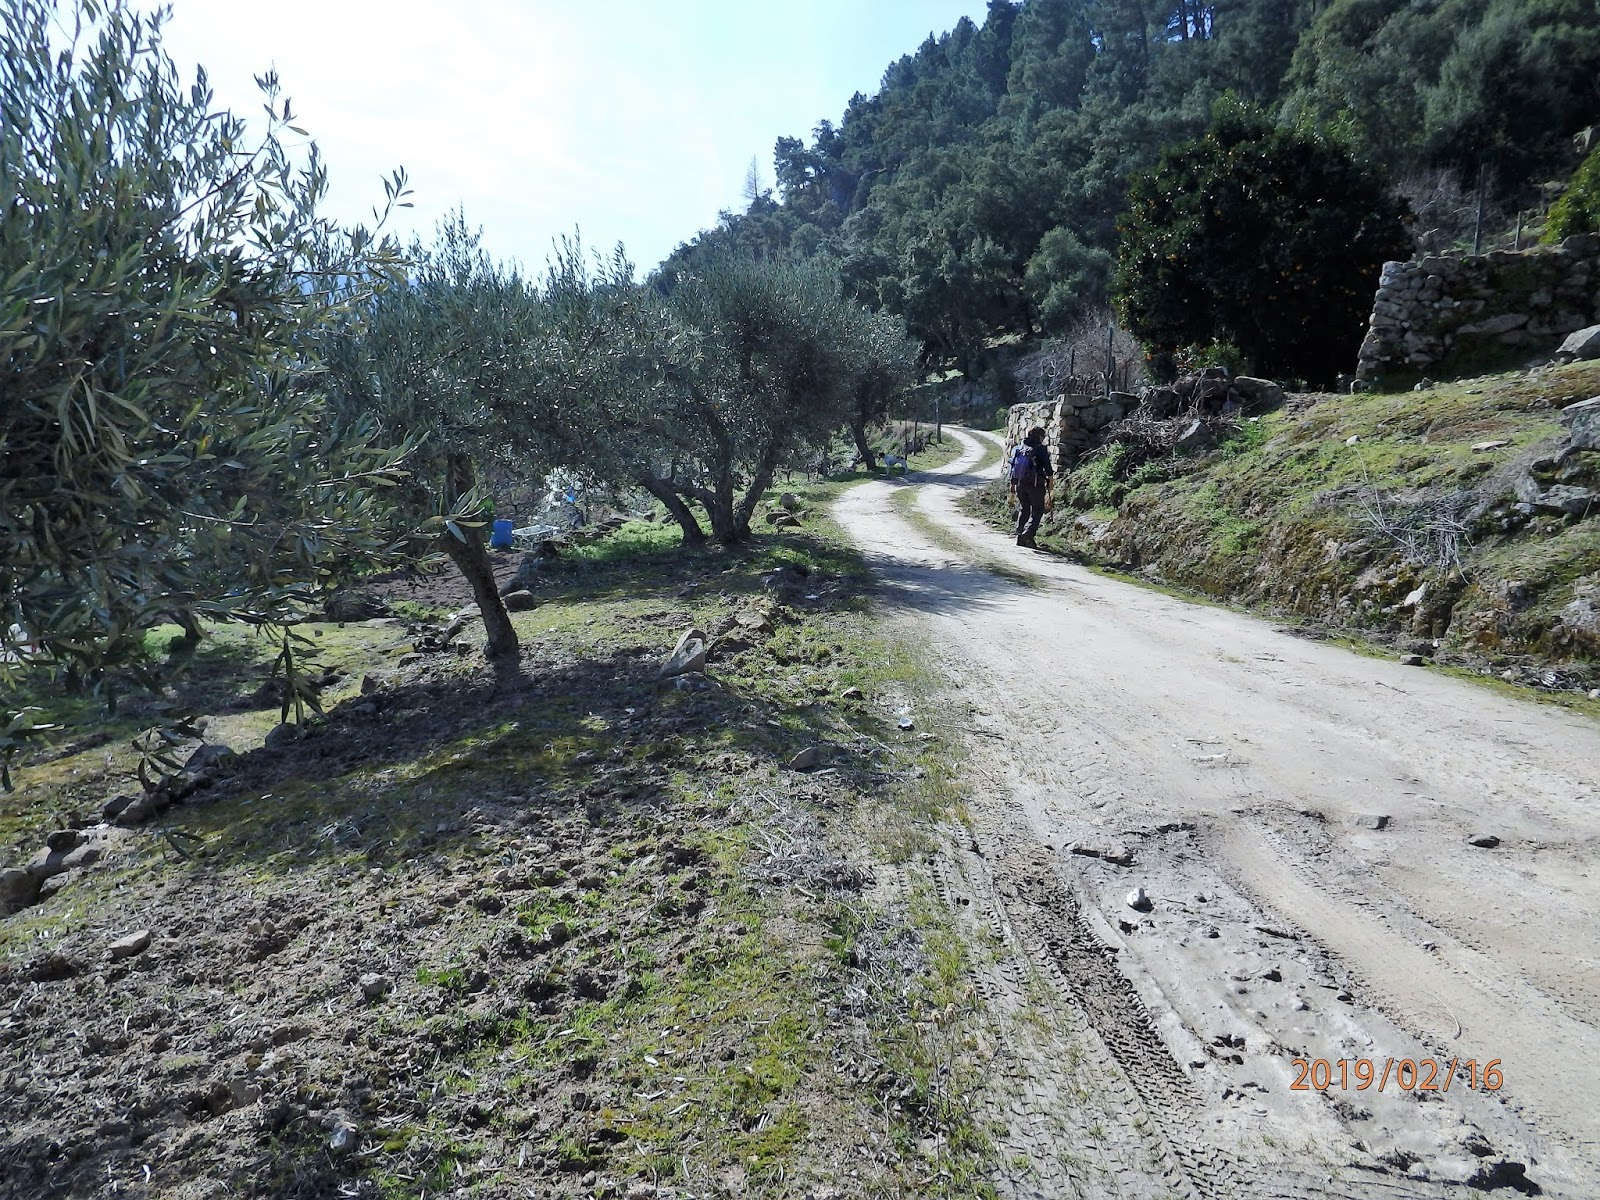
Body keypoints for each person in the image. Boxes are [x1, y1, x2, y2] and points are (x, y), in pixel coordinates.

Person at [1009, 426, 1054, 547]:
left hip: (1020, 483)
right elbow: (1047, 466)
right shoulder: (1039, 448)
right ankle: (1027, 534)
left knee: (1024, 508)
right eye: (1043, 437)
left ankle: (1020, 536)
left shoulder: (1020, 447)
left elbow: (1012, 465)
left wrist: (1012, 484)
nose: (1043, 439)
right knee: (1037, 510)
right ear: (1040, 436)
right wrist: (1050, 481)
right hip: (1035, 484)